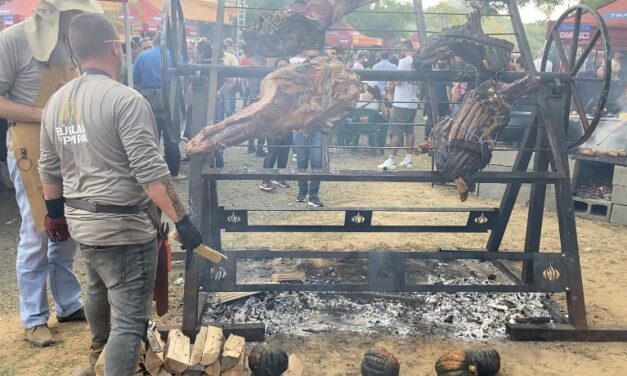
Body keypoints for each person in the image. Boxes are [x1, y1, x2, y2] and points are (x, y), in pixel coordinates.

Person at [39, 13, 203, 375]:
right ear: (114, 48)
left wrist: (55, 216)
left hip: (83, 224)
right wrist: (184, 222)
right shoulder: (126, 101)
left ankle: (97, 353)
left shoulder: (56, 102)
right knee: (130, 322)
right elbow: (152, 177)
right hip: (124, 230)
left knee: (96, 289)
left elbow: (48, 169)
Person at [0, 0, 105, 347]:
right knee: (38, 232)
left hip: (69, 144)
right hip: (30, 145)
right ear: (57, 12)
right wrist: (47, 113)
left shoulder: (72, 43)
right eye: (76, 13)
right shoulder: (13, 40)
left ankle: (68, 303)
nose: (80, 19)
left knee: (69, 226)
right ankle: (33, 318)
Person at [133, 33, 186, 181]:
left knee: (150, 136)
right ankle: (174, 172)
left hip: (148, 98)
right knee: (171, 137)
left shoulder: (142, 57)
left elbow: (135, 77)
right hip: (170, 98)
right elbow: (182, 77)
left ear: (155, 42)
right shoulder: (175, 58)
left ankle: (150, 173)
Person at [378, 41, 418, 170]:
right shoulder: (417, 61)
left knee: (395, 131)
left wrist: (392, 79)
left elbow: (398, 81)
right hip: (412, 100)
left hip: (401, 101)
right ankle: (408, 158)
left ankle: (392, 159)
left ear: (402, 49)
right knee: (409, 130)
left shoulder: (403, 61)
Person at [294, 50, 325, 207]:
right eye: (310, 58)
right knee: (301, 160)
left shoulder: (324, 81)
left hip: (317, 126)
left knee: (317, 161)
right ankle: (302, 191)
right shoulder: (298, 80)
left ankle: (313, 194)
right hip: (300, 126)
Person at [260, 58, 292, 191]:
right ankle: (265, 180)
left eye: (285, 66)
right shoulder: (269, 81)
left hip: (288, 121)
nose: (283, 68)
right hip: (273, 122)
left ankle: (280, 177)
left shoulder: (292, 83)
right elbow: (263, 101)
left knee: (284, 151)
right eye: (280, 66)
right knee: (273, 151)